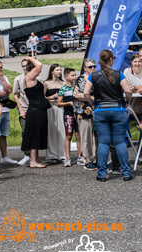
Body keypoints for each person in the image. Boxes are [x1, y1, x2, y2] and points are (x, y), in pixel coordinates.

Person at [83, 49, 133, 182]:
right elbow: (128, 90)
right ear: (111, 59)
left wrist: (93, 104)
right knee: (120, 142)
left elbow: (86, 93)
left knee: (104, 143)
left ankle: (102, 174)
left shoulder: (93, 75)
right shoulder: (119, 74)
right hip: (118, 109)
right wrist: (127, 101)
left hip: (101, 110)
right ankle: (126, 174)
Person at [21, 57, 49, 167]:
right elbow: (39, 65)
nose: (40, 70)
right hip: (35, 110)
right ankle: (33, 162)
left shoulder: (33, 79)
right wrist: (29, 58)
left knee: (38, 134)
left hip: (39, 110)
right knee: (34, 135)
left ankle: (36, 159)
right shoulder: (29, 77)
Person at [74, 58, 97, 170]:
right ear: (84, 68)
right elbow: (76, 95)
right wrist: (91, 98)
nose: (93, 68)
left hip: (97, 111)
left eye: (94, 66)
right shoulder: (80, 79)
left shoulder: (97, 77)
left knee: (96, 137)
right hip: (82, 112)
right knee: (85, 136)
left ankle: (97, 159)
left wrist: (86, 96)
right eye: (90, 67)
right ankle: (87, 159)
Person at [12, 58, 35, 166]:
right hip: (24, 109)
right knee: (25, 132)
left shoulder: (37, 78)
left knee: (35, 133)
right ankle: (27, 155)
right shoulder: (18, 79)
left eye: (26, 65)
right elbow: (15, 95)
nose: (25, 67)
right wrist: (20, 109)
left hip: (35, 109)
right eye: (23, 66)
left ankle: (35, 156)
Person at [44, 64, 65, 164]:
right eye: (57, 70)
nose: (59, 72)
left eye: (60, 70)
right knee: (52, 130)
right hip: (51, 107)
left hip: (61, 107)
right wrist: (52, 96)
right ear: (52, 71)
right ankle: (52, 155)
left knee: (62, 130)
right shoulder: (47, 83)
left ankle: (62, 154)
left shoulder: (63, 83)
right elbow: (42, 97)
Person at [57, 67, 77, 167]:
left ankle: (80, 157)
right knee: (69, 135)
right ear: (66, 77)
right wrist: (68, 103)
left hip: (78, 114)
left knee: (78, 135)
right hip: (68, 114)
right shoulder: (63, 88)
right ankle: (67, 158)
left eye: (75, 75)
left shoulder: (77, 87)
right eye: (72, 75)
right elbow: (58, 103)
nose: (75, 77)